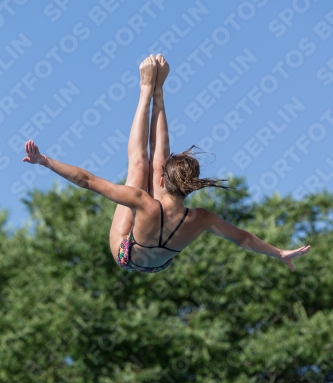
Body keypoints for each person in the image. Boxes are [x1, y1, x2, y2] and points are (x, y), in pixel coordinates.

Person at [22, 54, 310, 273]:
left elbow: (87, 180)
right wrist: (279, 253)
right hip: (159, 261)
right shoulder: (203, 219)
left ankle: (146, 90)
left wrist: (45, 161)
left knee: (139, 167)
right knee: (156, 161)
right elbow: (243, 238)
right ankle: (159, 94)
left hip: (127, 253)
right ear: (189, 188)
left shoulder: (143, 202)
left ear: (162, 181)